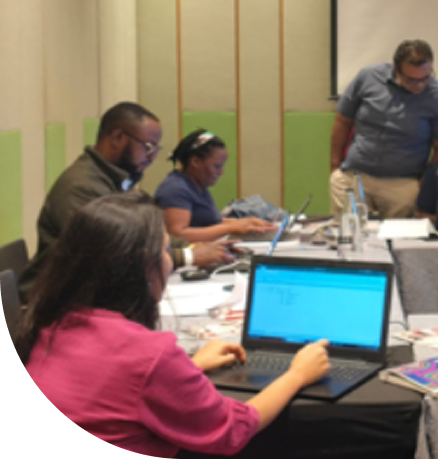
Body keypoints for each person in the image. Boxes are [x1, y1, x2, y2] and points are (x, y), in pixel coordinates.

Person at [19, 193, 330, 457]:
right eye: (166, 251)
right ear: (143, 265)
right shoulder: (149, 354)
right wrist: (297, 374)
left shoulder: (50, 322)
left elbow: (114, 391)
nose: (170, 260)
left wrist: (190, 366)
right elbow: (233, 429)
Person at [18, 102, 233, 302]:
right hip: (56, 303)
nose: (151, 156)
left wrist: (194, 246)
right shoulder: (81, 187)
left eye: (155, 149)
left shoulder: (114, 179)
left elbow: (144, 236)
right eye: (148, 146)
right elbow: (110, 256)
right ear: (118, 137)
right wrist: (187, 256)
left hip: (87, 294)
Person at [330, 39, 438, 219]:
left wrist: (423, 183)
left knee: (401, 242)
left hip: (403, 183)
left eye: (425, 78)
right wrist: (335, 166)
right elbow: (342, 120)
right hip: (354, 174)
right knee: (350, 237)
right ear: (395, 69)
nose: (419, 85)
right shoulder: (367, 76)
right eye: (411, 80)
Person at [154, 129, 275, 242]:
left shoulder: (197, 184)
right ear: (195, 162)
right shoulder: (175, 189)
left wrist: (245, 222)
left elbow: (204, 222)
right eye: (216, 166)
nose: (221, 172)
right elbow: (177, 235)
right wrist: (230, 228)